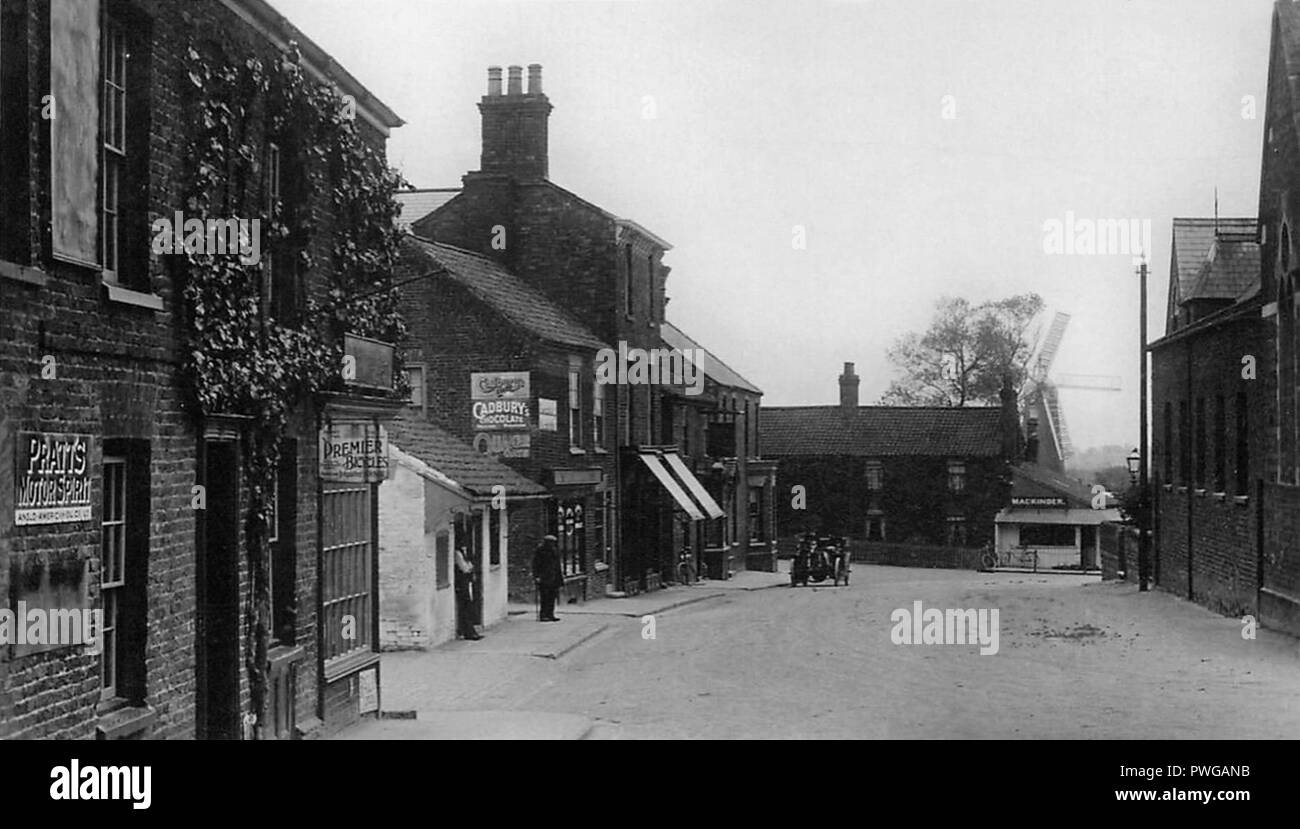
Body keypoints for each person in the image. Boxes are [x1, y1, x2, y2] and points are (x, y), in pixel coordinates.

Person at [532, 534, 563, 622]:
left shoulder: (554, 551)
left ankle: (551, 614)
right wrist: (537, 576)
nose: (552, 544)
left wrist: (559, 577)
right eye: (551, 542)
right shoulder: (540, 551)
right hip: (544, 578)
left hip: (554, 578)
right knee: (544, 597)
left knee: (552, 597)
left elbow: (557, 565)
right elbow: (536, 564)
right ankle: (543, 615)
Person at [454, 546, 481, 640]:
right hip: (462, 583)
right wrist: (469, 567)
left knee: (469, 606)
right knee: (465, 607)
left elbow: (470, 566)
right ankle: (467, 631)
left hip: (466, 582)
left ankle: (471, 630)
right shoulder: (457, 554)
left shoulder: (464, 555)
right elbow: (465, 568)